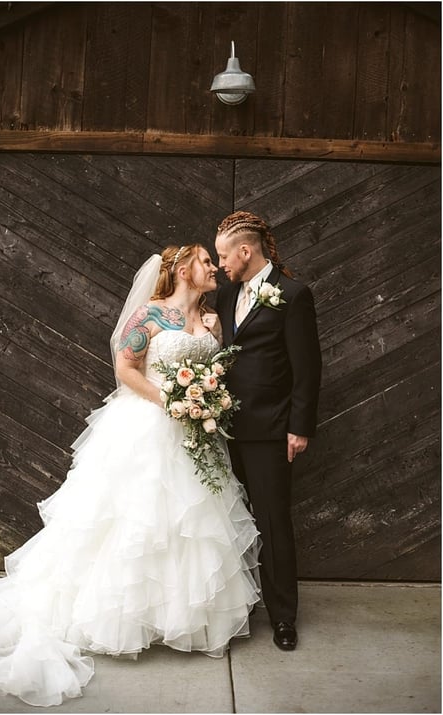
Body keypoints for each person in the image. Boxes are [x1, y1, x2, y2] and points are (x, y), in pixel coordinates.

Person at [0, 245, 261, 707]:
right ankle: (120, 617)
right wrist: (171, 402)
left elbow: (216, 371)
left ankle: (178, 617)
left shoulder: (211, 320)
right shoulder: (150, 315)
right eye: (206, 262)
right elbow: (125, 368)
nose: (213, 269)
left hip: (196, 432)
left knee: (191, 523)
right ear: (184, 270)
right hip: (148, 424)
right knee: (136, 521)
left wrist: (205, 402)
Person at [213, 211, 322, 652]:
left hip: (271, 430)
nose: (220, 263)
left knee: (273, 522)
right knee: (227, 521)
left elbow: (307, 367)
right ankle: (237, 608)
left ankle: (283, 617)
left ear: (245, 251)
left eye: (224, 255)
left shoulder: (292, 295)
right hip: (222, 428)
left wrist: (299, 427)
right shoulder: (225, 294)